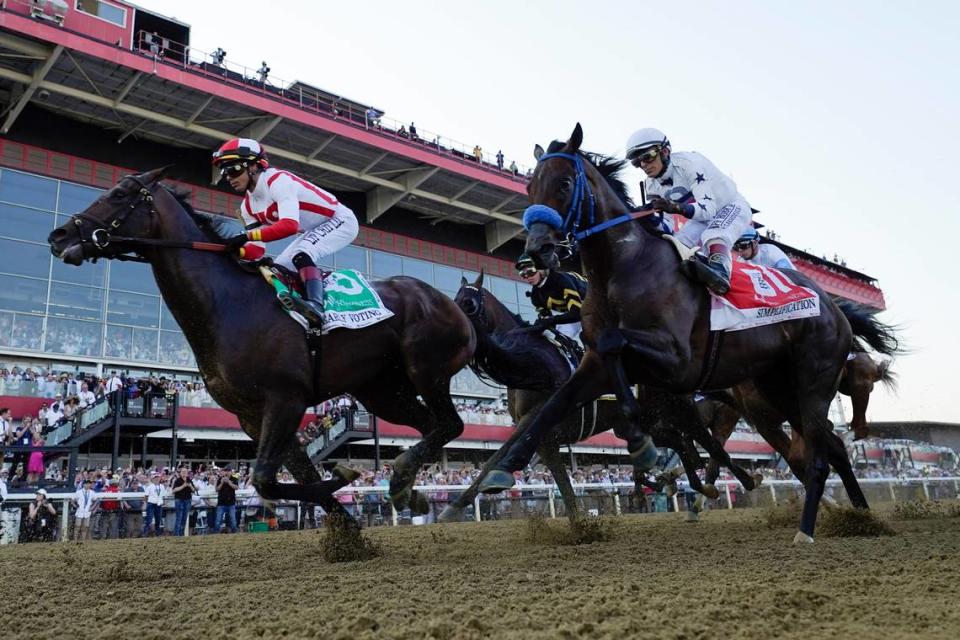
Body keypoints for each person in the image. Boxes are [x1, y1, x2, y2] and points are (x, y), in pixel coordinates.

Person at [212, 138, 360, 326]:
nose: (230, 178)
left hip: (340, 220)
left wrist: (246, 236)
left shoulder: (277, 181)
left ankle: (316, 305)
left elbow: (289, 226)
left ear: (254, 166)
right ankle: (298, 309)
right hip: (315, 228)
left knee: (301, 254)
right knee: (278, 268)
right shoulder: (247, 207)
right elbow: (257, 250)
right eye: (225, 172)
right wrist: (236, 251)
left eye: (234, 170)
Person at [625, 127, 753, 295]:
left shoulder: (691, 164)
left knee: (713, 234)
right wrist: (649, 220)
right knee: (677, 243)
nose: (643, 165)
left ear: (664, 151)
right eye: (636, 162)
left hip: (730, 205)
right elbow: (667, 226)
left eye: (647, 157)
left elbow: (708, 210)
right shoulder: (651, 185)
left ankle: (721, 273)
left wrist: (676, 207)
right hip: (701, 218)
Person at [515, 253, 588, 344]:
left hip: (594, 304)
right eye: (523, 274)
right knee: (549, 337)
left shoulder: (562, 281)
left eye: (530, 272)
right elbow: (547, 321)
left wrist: (551, 320)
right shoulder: (535, 296)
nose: (527, 277)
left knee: (565, 336)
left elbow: (577, 313)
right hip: (573, 311)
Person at [171, 467, 195, 536]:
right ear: (180, 473)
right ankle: (176, 534)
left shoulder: (189, 480)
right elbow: (174, 490)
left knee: (184, 518)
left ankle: (181, 534)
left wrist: (190, 486)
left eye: (186, 472)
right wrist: (183, 486)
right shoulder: (177, 480)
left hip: (187, 500)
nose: (184, 473)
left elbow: (194, 491)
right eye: (183, 472)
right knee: (179, 518)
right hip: (179, 500)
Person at [214, 467, 238, 533]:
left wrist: (229, 483)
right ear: (224, 472)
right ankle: (215, 534)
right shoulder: (220, 479)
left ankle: (235, 533)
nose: (227, 472)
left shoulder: (234, 478)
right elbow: (216, 489)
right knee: (218, 520)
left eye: (228, 471)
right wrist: (221, 483)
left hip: (231, 503)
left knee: (233, 520)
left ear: (231, 472)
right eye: (226, 471)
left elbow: (236, 488)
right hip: (221, 503)